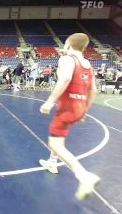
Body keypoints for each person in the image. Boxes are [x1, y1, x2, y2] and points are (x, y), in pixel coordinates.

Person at [39, 33, 99, 201]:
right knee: (60, 136)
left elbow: (65, 78)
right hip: (79, 108)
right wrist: (84, 111)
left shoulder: (67, 59)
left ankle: (84, 176)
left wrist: (49, 102)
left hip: (67, 107)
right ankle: (52, 162)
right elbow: (93, 90)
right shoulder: (88, 64)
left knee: (55, 143)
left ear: (69, 44)